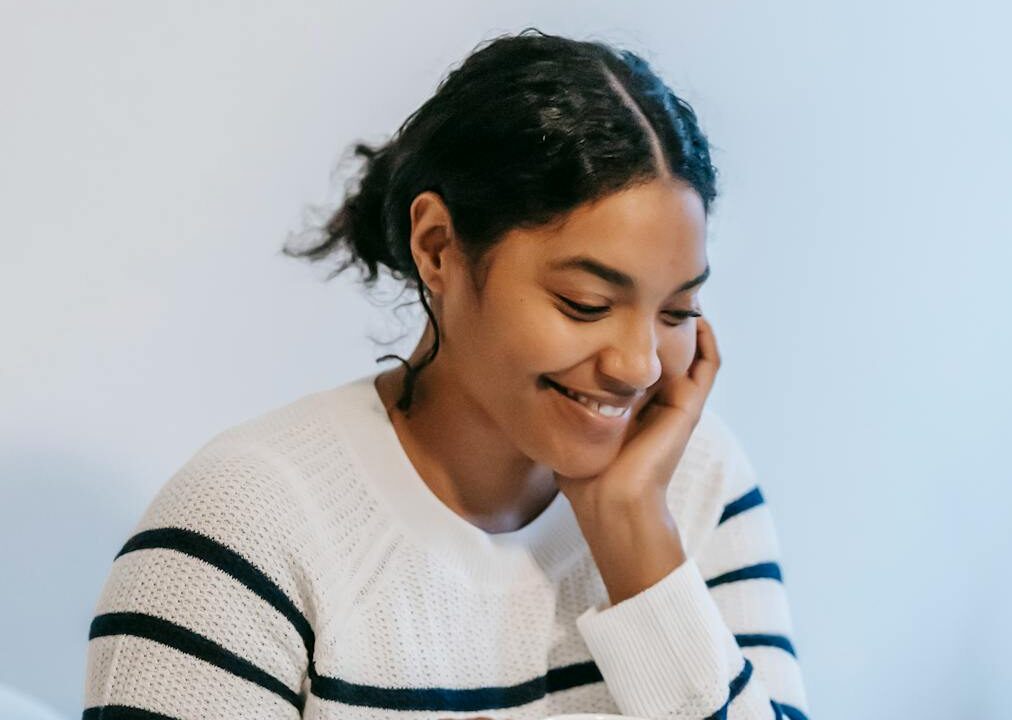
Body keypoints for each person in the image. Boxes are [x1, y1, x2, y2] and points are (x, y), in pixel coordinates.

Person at [82, 28, 810, 720]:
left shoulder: (696, 483)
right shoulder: (243, 531)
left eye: (678, 311)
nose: (639, 365)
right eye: (585, 303)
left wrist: (639, 546)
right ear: (437, 248)